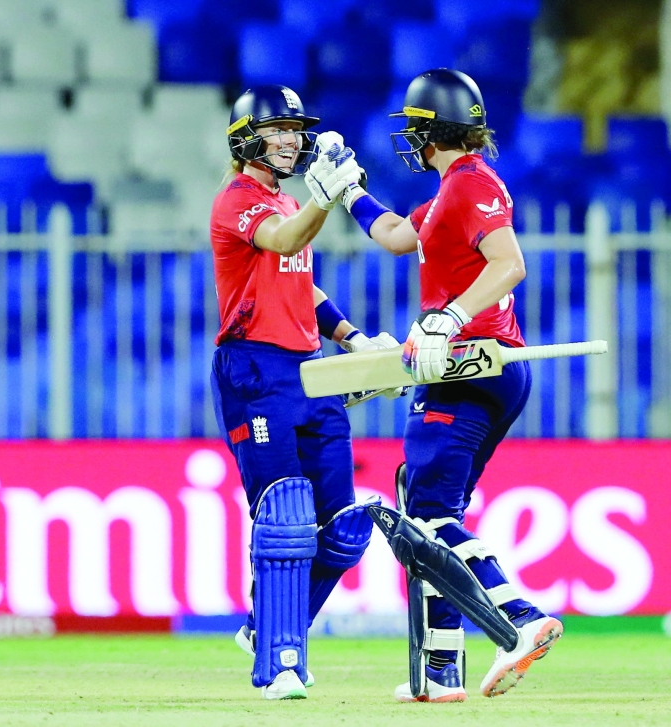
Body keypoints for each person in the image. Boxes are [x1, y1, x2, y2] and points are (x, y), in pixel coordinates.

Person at [340, 69, 563, 701]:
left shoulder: (469, 185)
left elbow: (509, 264)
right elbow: (395, 236)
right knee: (429, 513)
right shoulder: (451, 191)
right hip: (481, 366)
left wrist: (450, 316)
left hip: (469, 364)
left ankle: (518, 619)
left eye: (415, 128)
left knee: (430, 517)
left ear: (431, 132)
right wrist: (349, 192)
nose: (410, 140)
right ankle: (440, 670)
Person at [209, 84, 400, 700]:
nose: (292, 140)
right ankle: (281, 663)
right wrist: (324, 197)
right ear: (247, 139)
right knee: (285, 515)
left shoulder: (288, 200)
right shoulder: (236, 201)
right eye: (278, 129)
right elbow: (285, 241)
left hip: (310, 368)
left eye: (296, 129)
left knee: (345, 528)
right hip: (254, 370)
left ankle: (263, 626)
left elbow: (301, 285)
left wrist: (354, 340)